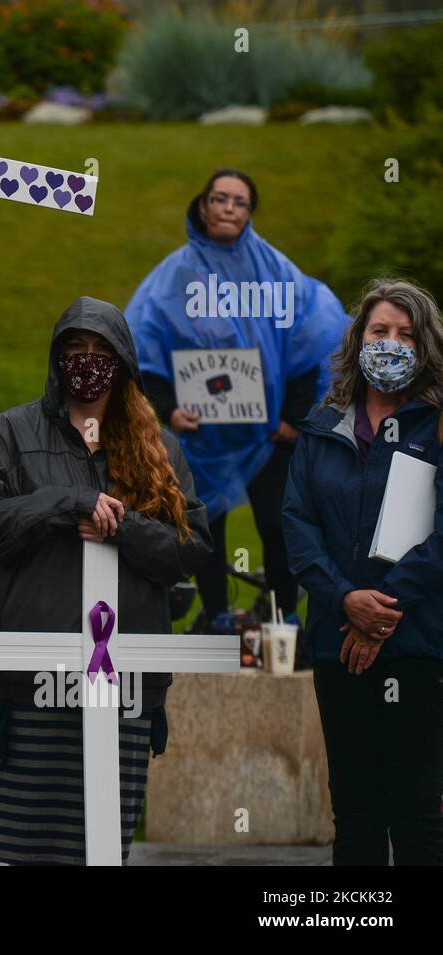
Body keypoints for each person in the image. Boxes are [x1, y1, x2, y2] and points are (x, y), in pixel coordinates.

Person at [0, 296, 211, 865]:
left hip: (123, 682)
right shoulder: (8, 433)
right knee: (32, 846)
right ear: (55, 360)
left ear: (123, 362)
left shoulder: (159, 449)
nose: (87, 360)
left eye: (101, 351)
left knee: (104, 846)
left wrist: (121, 527)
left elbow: (191, 550)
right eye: (74, 349)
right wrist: (67, 502)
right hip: (32, 681)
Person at [126, 169, 347, 626]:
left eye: (239, 201)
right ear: (203, 205)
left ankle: (285, 617)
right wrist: (170, 411)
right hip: (204, 436)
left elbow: (311, 340)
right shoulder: (174, 277)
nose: (228, 207)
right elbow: (147, 350)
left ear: (250, 212)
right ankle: (217, 613)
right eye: (219, 198)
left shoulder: (275, 271)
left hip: (269, 433)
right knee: (205, 526)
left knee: (277, 523)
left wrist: (293, 419)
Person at [283, 278, 443, 866]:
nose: (392, 343)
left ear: (425, 347)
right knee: (354, 812)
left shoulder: (438, 427)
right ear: (357, 340)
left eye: (405, 334)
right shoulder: (322, 426)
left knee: (418, 811)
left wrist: (379, 614)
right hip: (335, 643)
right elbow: (298, 528)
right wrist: (346, 600)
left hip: (418, 648)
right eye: (380, 331)